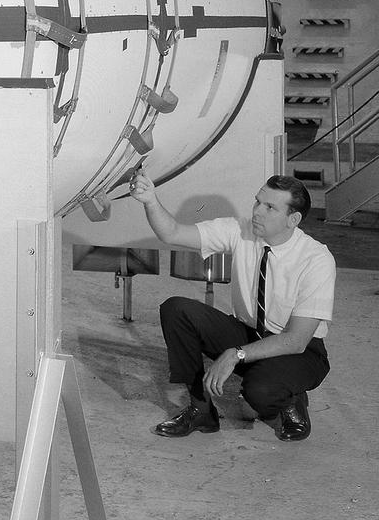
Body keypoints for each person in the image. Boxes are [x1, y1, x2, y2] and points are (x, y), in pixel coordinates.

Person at [129, 172, 335, 441]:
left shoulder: (316, 259)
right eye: (258, 201)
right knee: (177, 310)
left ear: (293, 219)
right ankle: (201, 410)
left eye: (269, 207)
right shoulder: (241, 230)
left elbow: (296, 340)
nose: (257, 211)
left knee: (260, 391)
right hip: (249, 333)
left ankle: (290, 399)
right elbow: (172, 233)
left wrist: (235, 354)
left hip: (299, 352)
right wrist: (150, 201)